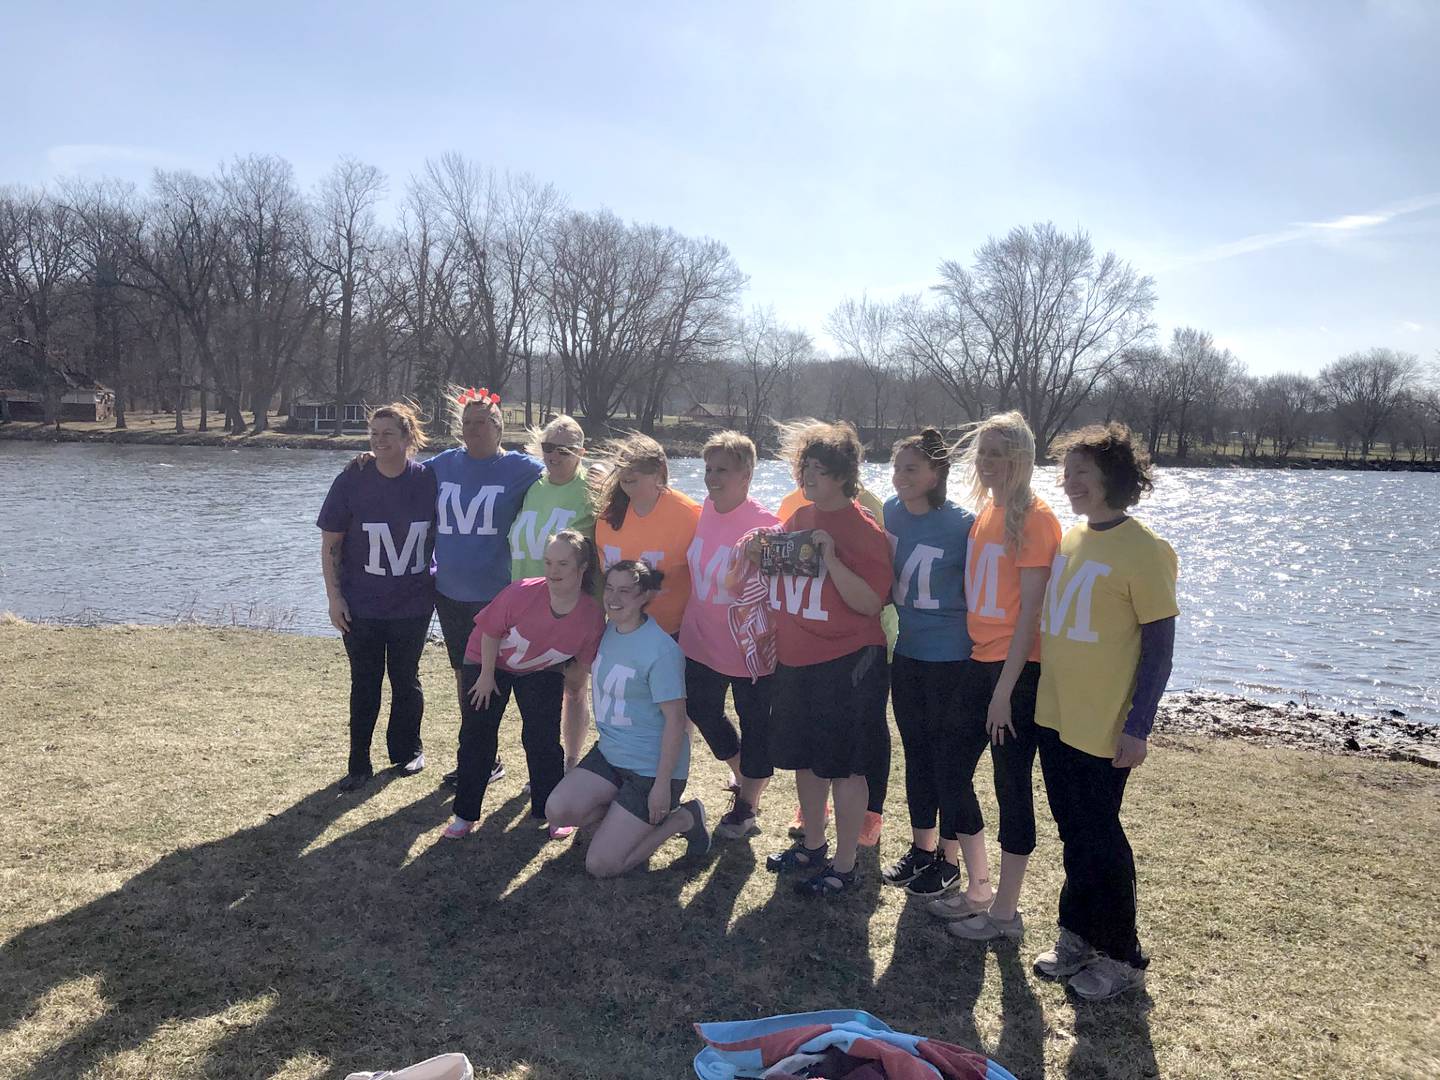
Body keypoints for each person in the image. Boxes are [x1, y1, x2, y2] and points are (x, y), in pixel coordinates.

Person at [1031, 423, 1177, 1001]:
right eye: (1066, 474)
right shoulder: (1071, 539)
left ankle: (1122, 955)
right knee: (1073, 832)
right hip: (1057, 714)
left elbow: (1160, 652)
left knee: (1100, 837)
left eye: (1082, 475)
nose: (1069, 485)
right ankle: (1077, 935)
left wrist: (1138, 725)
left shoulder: (1147, 551)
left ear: (1113, 478)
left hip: (1104, 725)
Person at [931, 411, 1061, 941]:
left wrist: (1004, 692)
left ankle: (1006, 914)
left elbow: (1029, 615)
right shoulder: (987, 512)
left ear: (1021, 460)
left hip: (1018, 674)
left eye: (996, 455)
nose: (985, 463)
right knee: (949, 766)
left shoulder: (1037, 518)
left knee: (1012, 786)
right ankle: (978, 887)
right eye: (981, 453)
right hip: (978, 663)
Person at [754, 421, 893, 897]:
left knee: (846, 766)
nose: (809, 475)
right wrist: (756, 549)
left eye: (819, 468)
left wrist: (833, 558)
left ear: (843, 474)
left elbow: (872, 602)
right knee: (805, 760)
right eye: (804, 466)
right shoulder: (797, 519)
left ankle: (844, 862)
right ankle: (812, 845)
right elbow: (781, 585)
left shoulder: (863, 529)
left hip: (848, 661)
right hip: (797, 662)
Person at [544, 561, 711, 877]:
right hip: (610, 755)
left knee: (601, 865)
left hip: (651, 769)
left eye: (625, 591)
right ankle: (622, 817)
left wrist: (662, 785)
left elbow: (676, 721)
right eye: (609, 588)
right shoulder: (606, 631)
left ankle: (683, 819)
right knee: (557, 810)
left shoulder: (661, 650)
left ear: (644, 596)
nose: (614, 598)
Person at [444, 531, 606, 840]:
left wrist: (568, 688)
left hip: (540, 669)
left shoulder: (591, 615)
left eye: (562, 563)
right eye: (548, 562)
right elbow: (490, 632)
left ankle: (552, 812)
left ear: (582, 568)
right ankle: (464, 815)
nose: (553, 570)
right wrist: (486, 676)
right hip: (487, 662)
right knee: (477, 735)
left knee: (542, 739)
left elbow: (580, 669)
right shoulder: (522, 592)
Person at [317, 403, 438, 792]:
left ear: (408, 438)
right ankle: (358, 762)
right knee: (364, 681)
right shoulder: (352, 479)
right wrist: (335, 599)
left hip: (413, 603)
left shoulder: (429, 480)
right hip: (361, 604)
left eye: (388, 434)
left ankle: (407, 751)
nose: (379, 441)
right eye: (373, 434)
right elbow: (331, 543)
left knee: (406, 679)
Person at [427, 387, 543, 786]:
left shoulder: (520, 469)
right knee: (464, 673)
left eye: (483, 423)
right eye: (468, 424)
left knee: (501, 675)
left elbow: (569, 474)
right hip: (450, 592)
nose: (474, 430)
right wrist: (367, 461)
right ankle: (483, 757)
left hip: (497, 595)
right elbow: (400, 476)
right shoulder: (442, 465)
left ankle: (521, 760)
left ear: (499, 427)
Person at [878, 429, 977, 897]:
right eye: (898, 468)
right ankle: (922, 848)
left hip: (952, 657)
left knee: (947, 759)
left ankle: (950, 859)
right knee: (915, 751)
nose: (901, 477)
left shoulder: (963, 525)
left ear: (937, 473)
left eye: (912, 468)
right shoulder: (891, 511)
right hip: (909, 652)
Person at [677, 431, 781, 840]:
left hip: (749, 650)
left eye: (722, 470)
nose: (711, 478)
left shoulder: (767, 526)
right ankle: (743, 773)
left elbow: (785, 586)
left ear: (747, 475)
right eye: (708, 469)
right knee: (702, 710)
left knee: (756, 724)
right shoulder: (703, 510)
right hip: (699, 639)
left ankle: (747, 806)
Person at [508, 414, 597, 771]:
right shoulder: (534, 485)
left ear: (581, 452)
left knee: (573, 688)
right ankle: (544, 767)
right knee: (537, 698)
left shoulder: (592, 488)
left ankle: (571, 764)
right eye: (548, 448)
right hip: (526, 609)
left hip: (570, 610)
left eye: (564, 450)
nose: (554, 456)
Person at [593, 434, 701, 637]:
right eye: (622, 465)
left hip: (672, 634)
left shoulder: (688, 515)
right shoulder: (607, 516)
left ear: (658, 472)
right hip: (619, 630)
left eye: (636, 466)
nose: (626, 472)